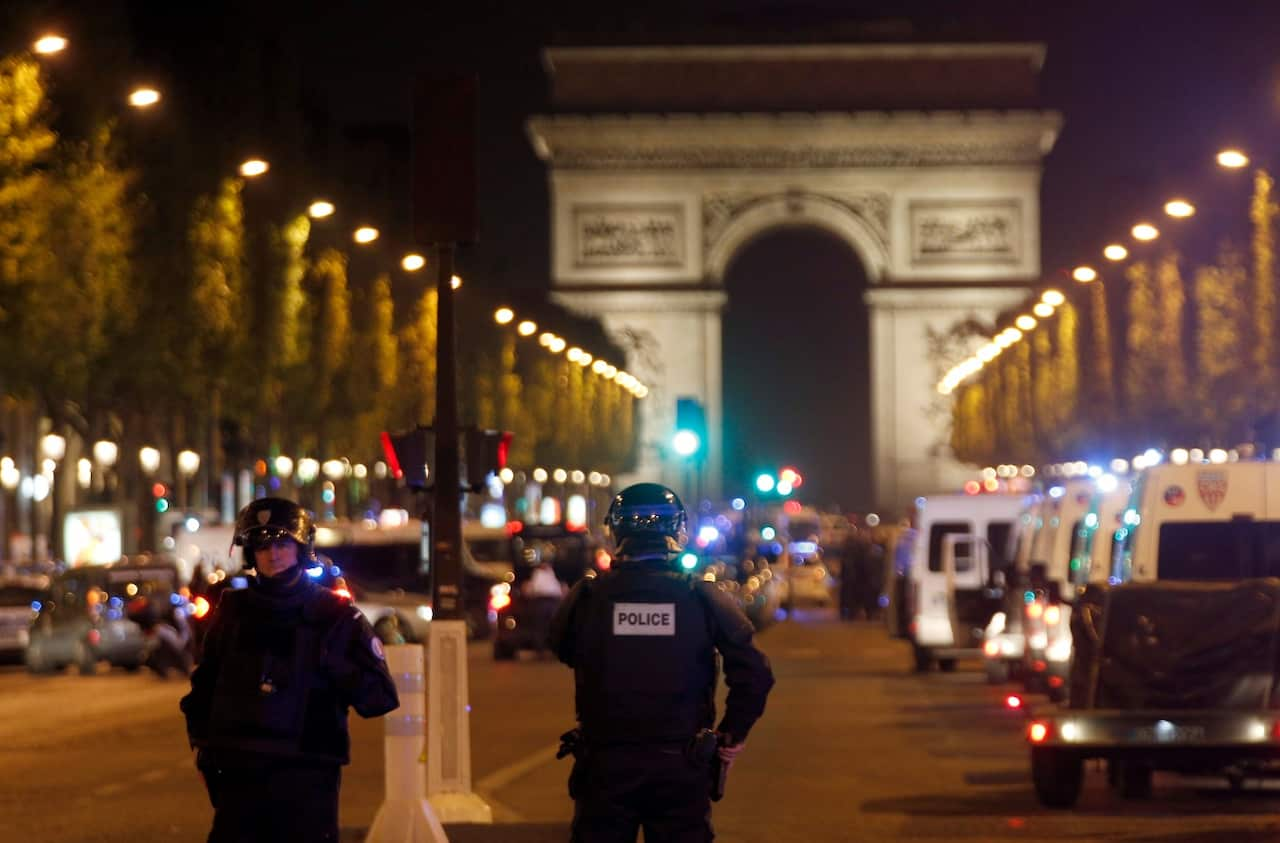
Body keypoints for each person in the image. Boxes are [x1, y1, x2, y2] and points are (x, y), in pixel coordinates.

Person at [550, 483, 775, 842]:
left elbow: (561, 648)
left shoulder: (588, 597)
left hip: (605, 763)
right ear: (678, 531)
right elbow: (755, 674)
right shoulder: (702, 596)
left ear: (615, 531)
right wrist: (731, 735)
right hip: (682, 764)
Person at [180, 497, 399, 843]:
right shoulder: (233, 612)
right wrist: (205, 750)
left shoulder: (335, 616)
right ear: (251, 553)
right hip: (241, 777)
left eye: (282, 543)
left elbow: (379, 698)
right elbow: (203, 689)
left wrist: (333, 663)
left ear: (301, 547)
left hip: (306, 775)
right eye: (262, 545)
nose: (273, 554)